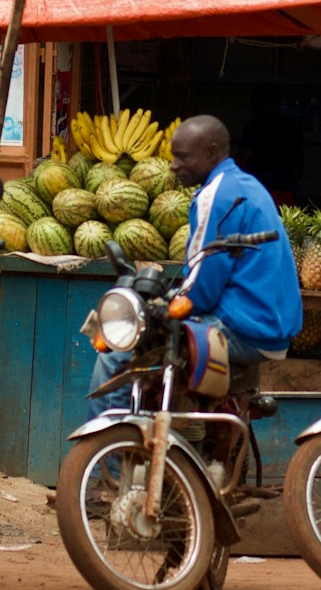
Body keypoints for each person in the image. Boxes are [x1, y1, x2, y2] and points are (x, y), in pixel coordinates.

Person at [87, 115, 302, 418]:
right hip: (267, 323)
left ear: (212, 152)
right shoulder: (245, 184)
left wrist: (165, 304)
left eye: (182, 157)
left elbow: (202, 287)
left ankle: (100, 460)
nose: (173, 165)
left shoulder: (215, 195)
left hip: (244, 324)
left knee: (120, 352)